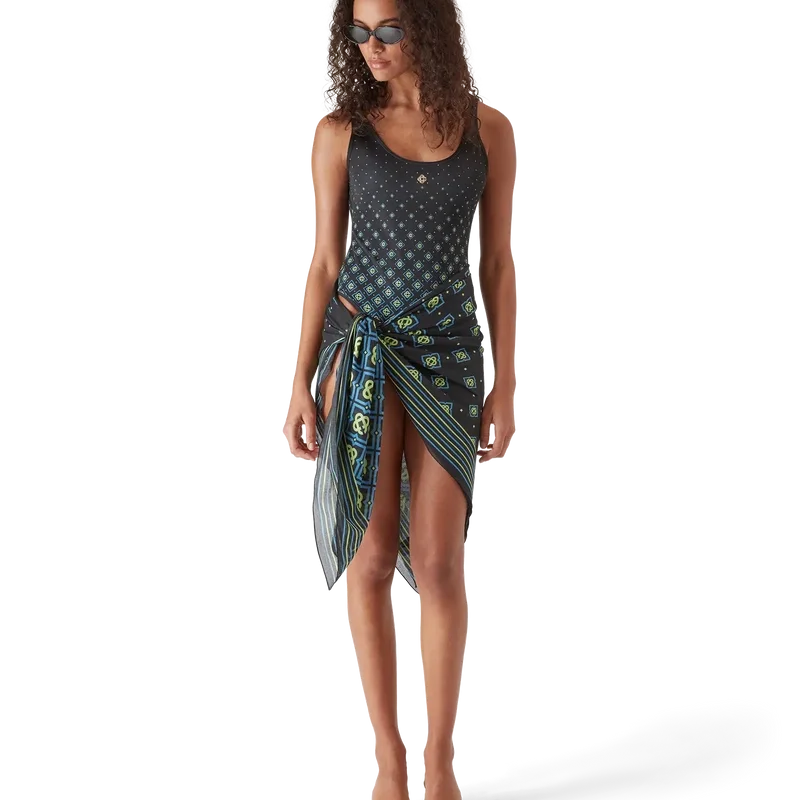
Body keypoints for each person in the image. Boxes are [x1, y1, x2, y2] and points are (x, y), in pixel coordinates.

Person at [283, 1, 517, 797]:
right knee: (372, 556)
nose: (370, 47)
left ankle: (442, 759)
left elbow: (498, 268)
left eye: (388, 30)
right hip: (360, 352)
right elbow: (323, 261)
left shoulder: (488, 129)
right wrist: (299, 382)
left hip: (452, 356)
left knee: (442, 561)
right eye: (357, 33)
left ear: (428, 29)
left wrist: (506, 388)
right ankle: (387, 755)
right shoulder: (341, 132)